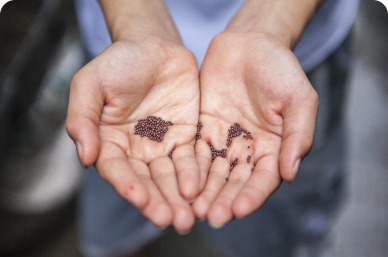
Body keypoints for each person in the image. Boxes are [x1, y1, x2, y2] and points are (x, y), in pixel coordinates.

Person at [66, 0, 359, 256]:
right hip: (128, 72)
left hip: (283, 61)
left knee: (269, 237)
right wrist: (136, 22)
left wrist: (268, 25)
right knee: (116, 218)